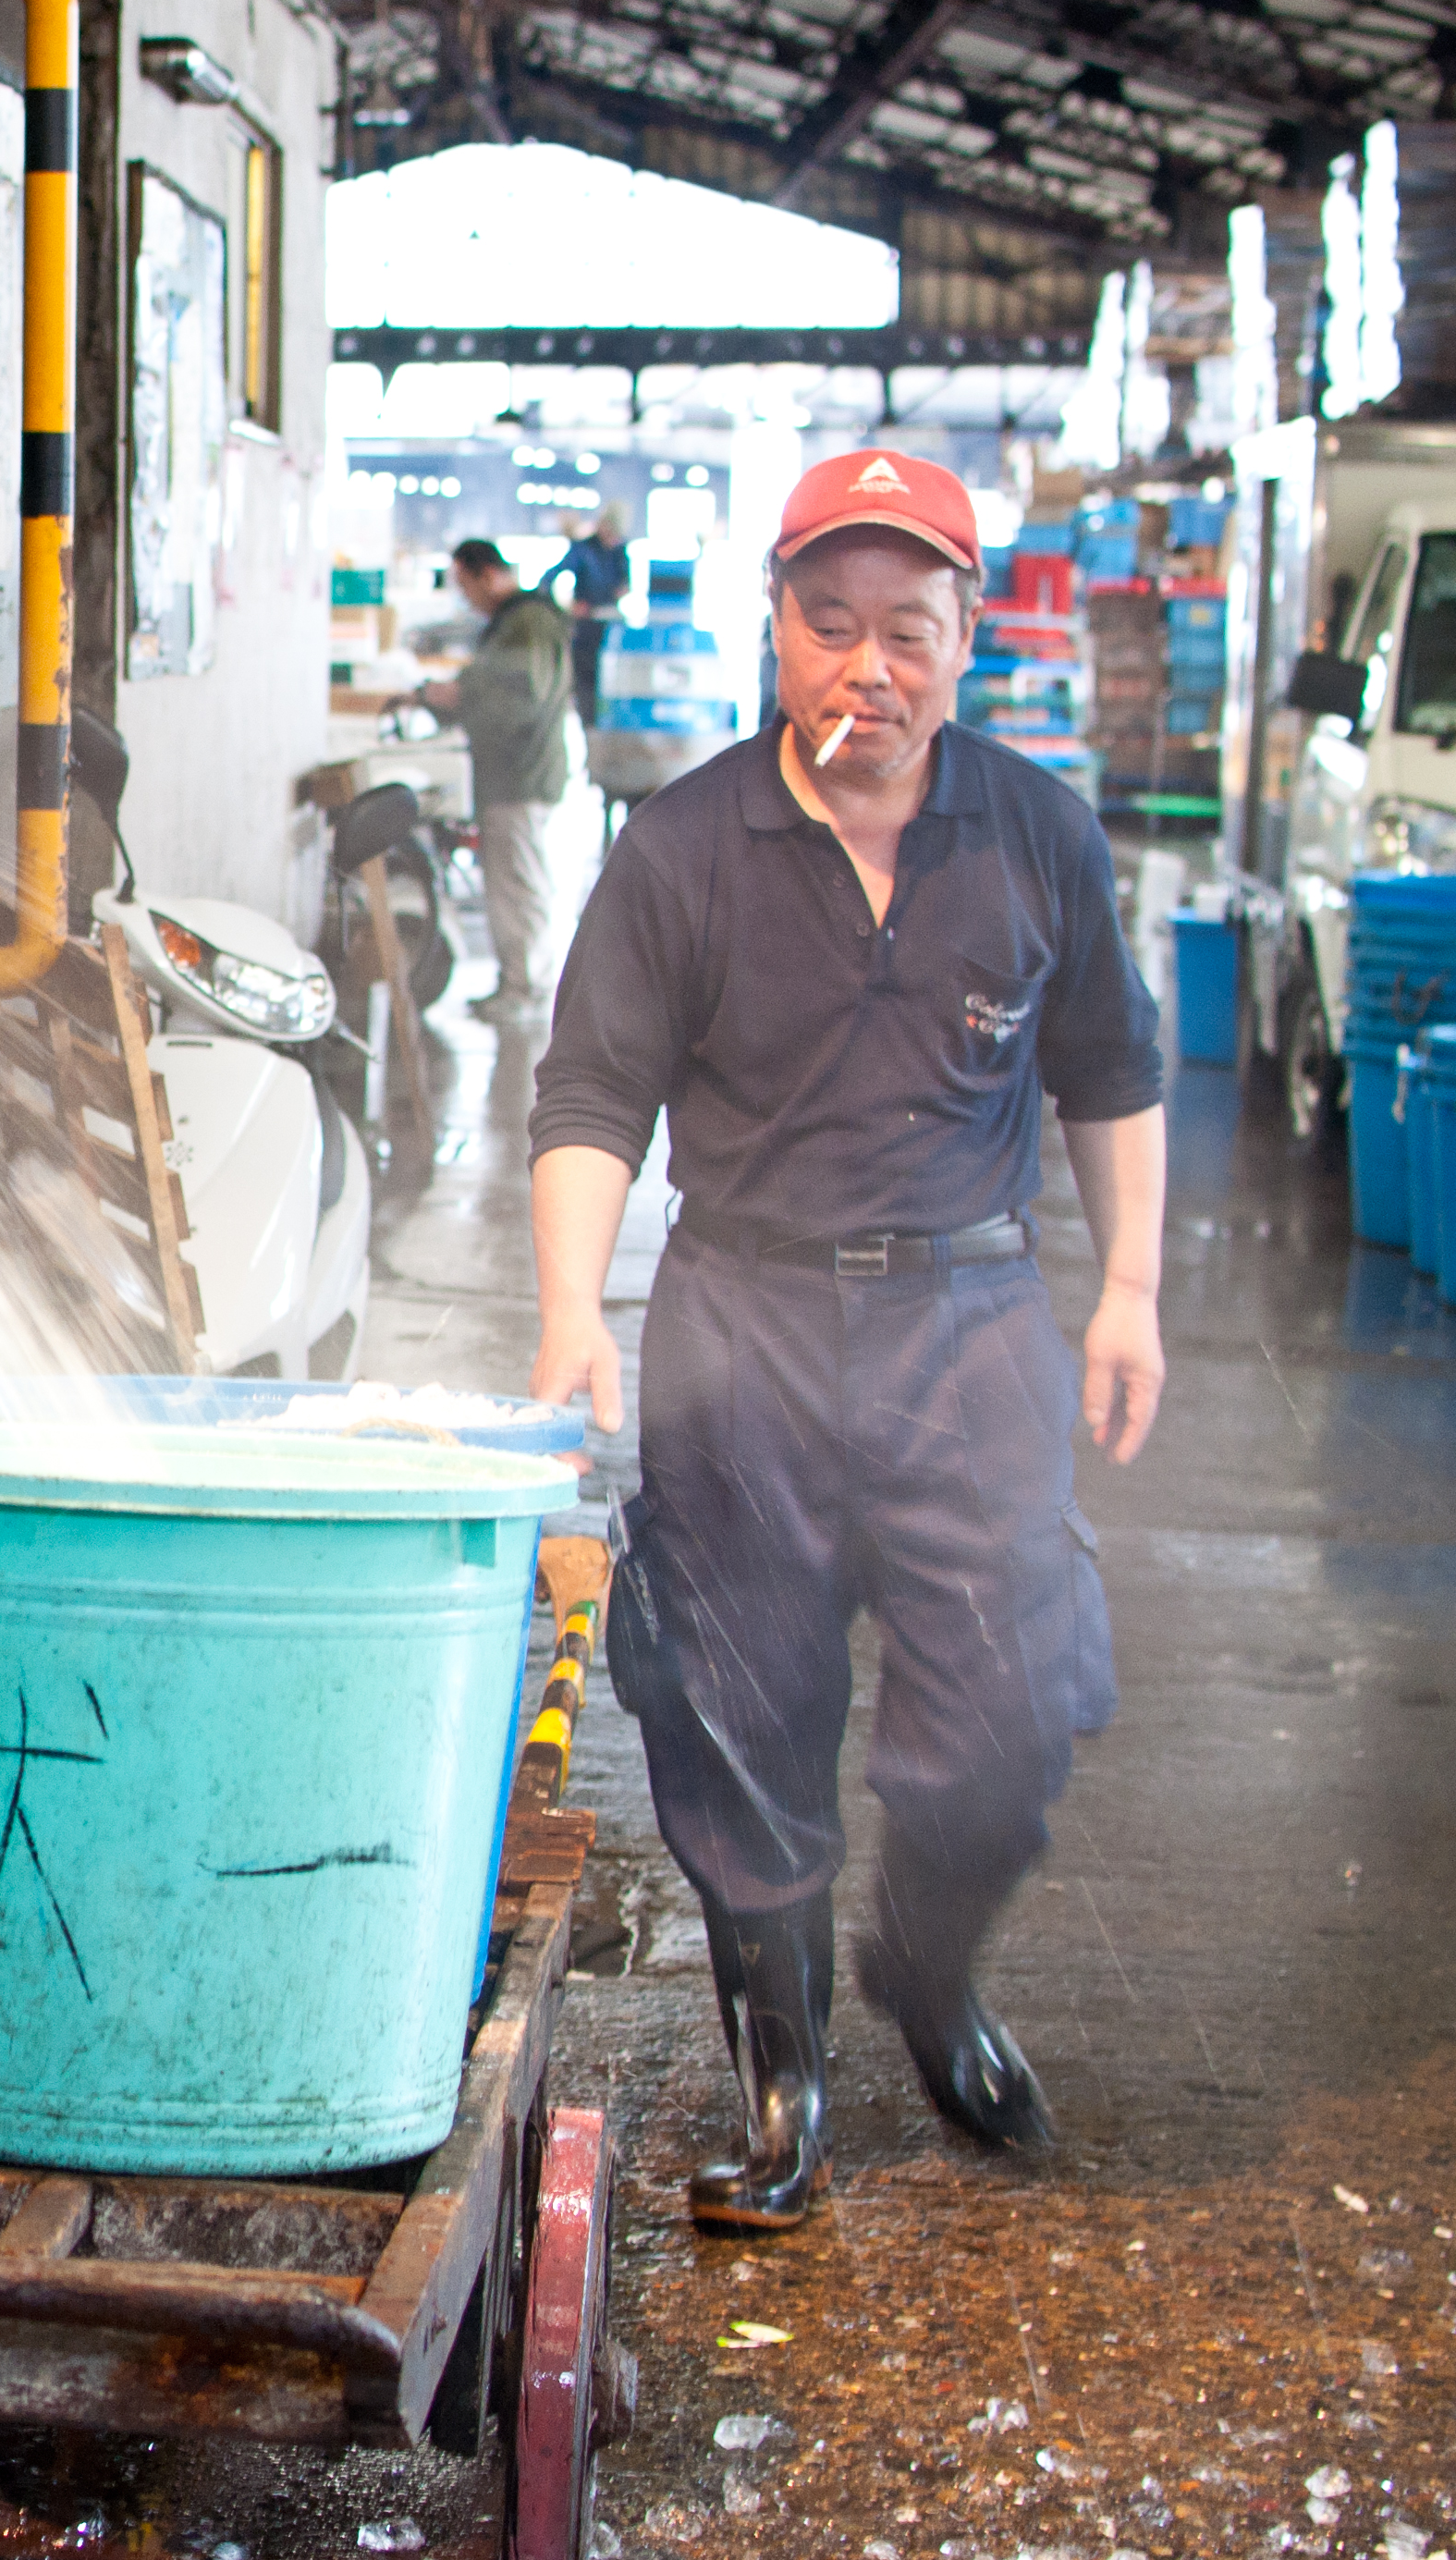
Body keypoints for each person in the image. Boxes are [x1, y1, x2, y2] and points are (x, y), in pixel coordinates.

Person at [525, 449, 1168, 2235]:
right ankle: (782, 2076)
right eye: (826, 625)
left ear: (964, 644)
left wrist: (1123, 1290)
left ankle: (930, 1969)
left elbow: (1108, 1072)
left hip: (970, 1321)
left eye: (903, 629)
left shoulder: (1035, 832)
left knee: (1013, 1704)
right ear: (776, 628)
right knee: (737, 1712)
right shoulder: (680, 841)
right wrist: (575, 1304)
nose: (859, 668)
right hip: (746, 1324)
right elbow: (588, 1091)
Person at [423, 539, 574, 1022]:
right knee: (514, 882)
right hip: (514, 773)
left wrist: (458, 694)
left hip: (521, 774)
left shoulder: (527, 622)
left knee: (518, 884)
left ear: (488, 574)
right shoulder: (520, 620)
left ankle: (525, 988)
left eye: (466, 586)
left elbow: (518, 695)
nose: (466, 600)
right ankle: (519, 980)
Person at [561, 507, 633, 730]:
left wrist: (622, 590)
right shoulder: (582, 550)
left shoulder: (621, 551)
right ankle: (589, 726)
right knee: (585, 683)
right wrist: (569, 606)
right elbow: (552, 575)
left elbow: (625, 583)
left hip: (611, 628)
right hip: (585, 629)